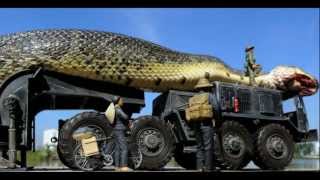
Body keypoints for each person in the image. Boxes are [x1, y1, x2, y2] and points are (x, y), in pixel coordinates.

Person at [193, 77, 215, 172]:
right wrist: (217, 120)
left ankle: (199, 167)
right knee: (208, 146)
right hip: (206, 124)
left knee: (199, 146)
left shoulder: (193, 98)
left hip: (196, 125)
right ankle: (208, 168)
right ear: (207, 87)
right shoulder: (209, 96)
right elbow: (217, 108)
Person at [111, 96, 131, 172]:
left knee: (117, 149)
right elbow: (125, 117)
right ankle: (124, 167)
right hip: (120, 130)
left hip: (115, 130)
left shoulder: (114, 109)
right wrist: (127, 116)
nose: (122, 101)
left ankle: (117, 167)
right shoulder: (118, 109)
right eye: (121, 100)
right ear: (118, 101)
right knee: (124, 148)